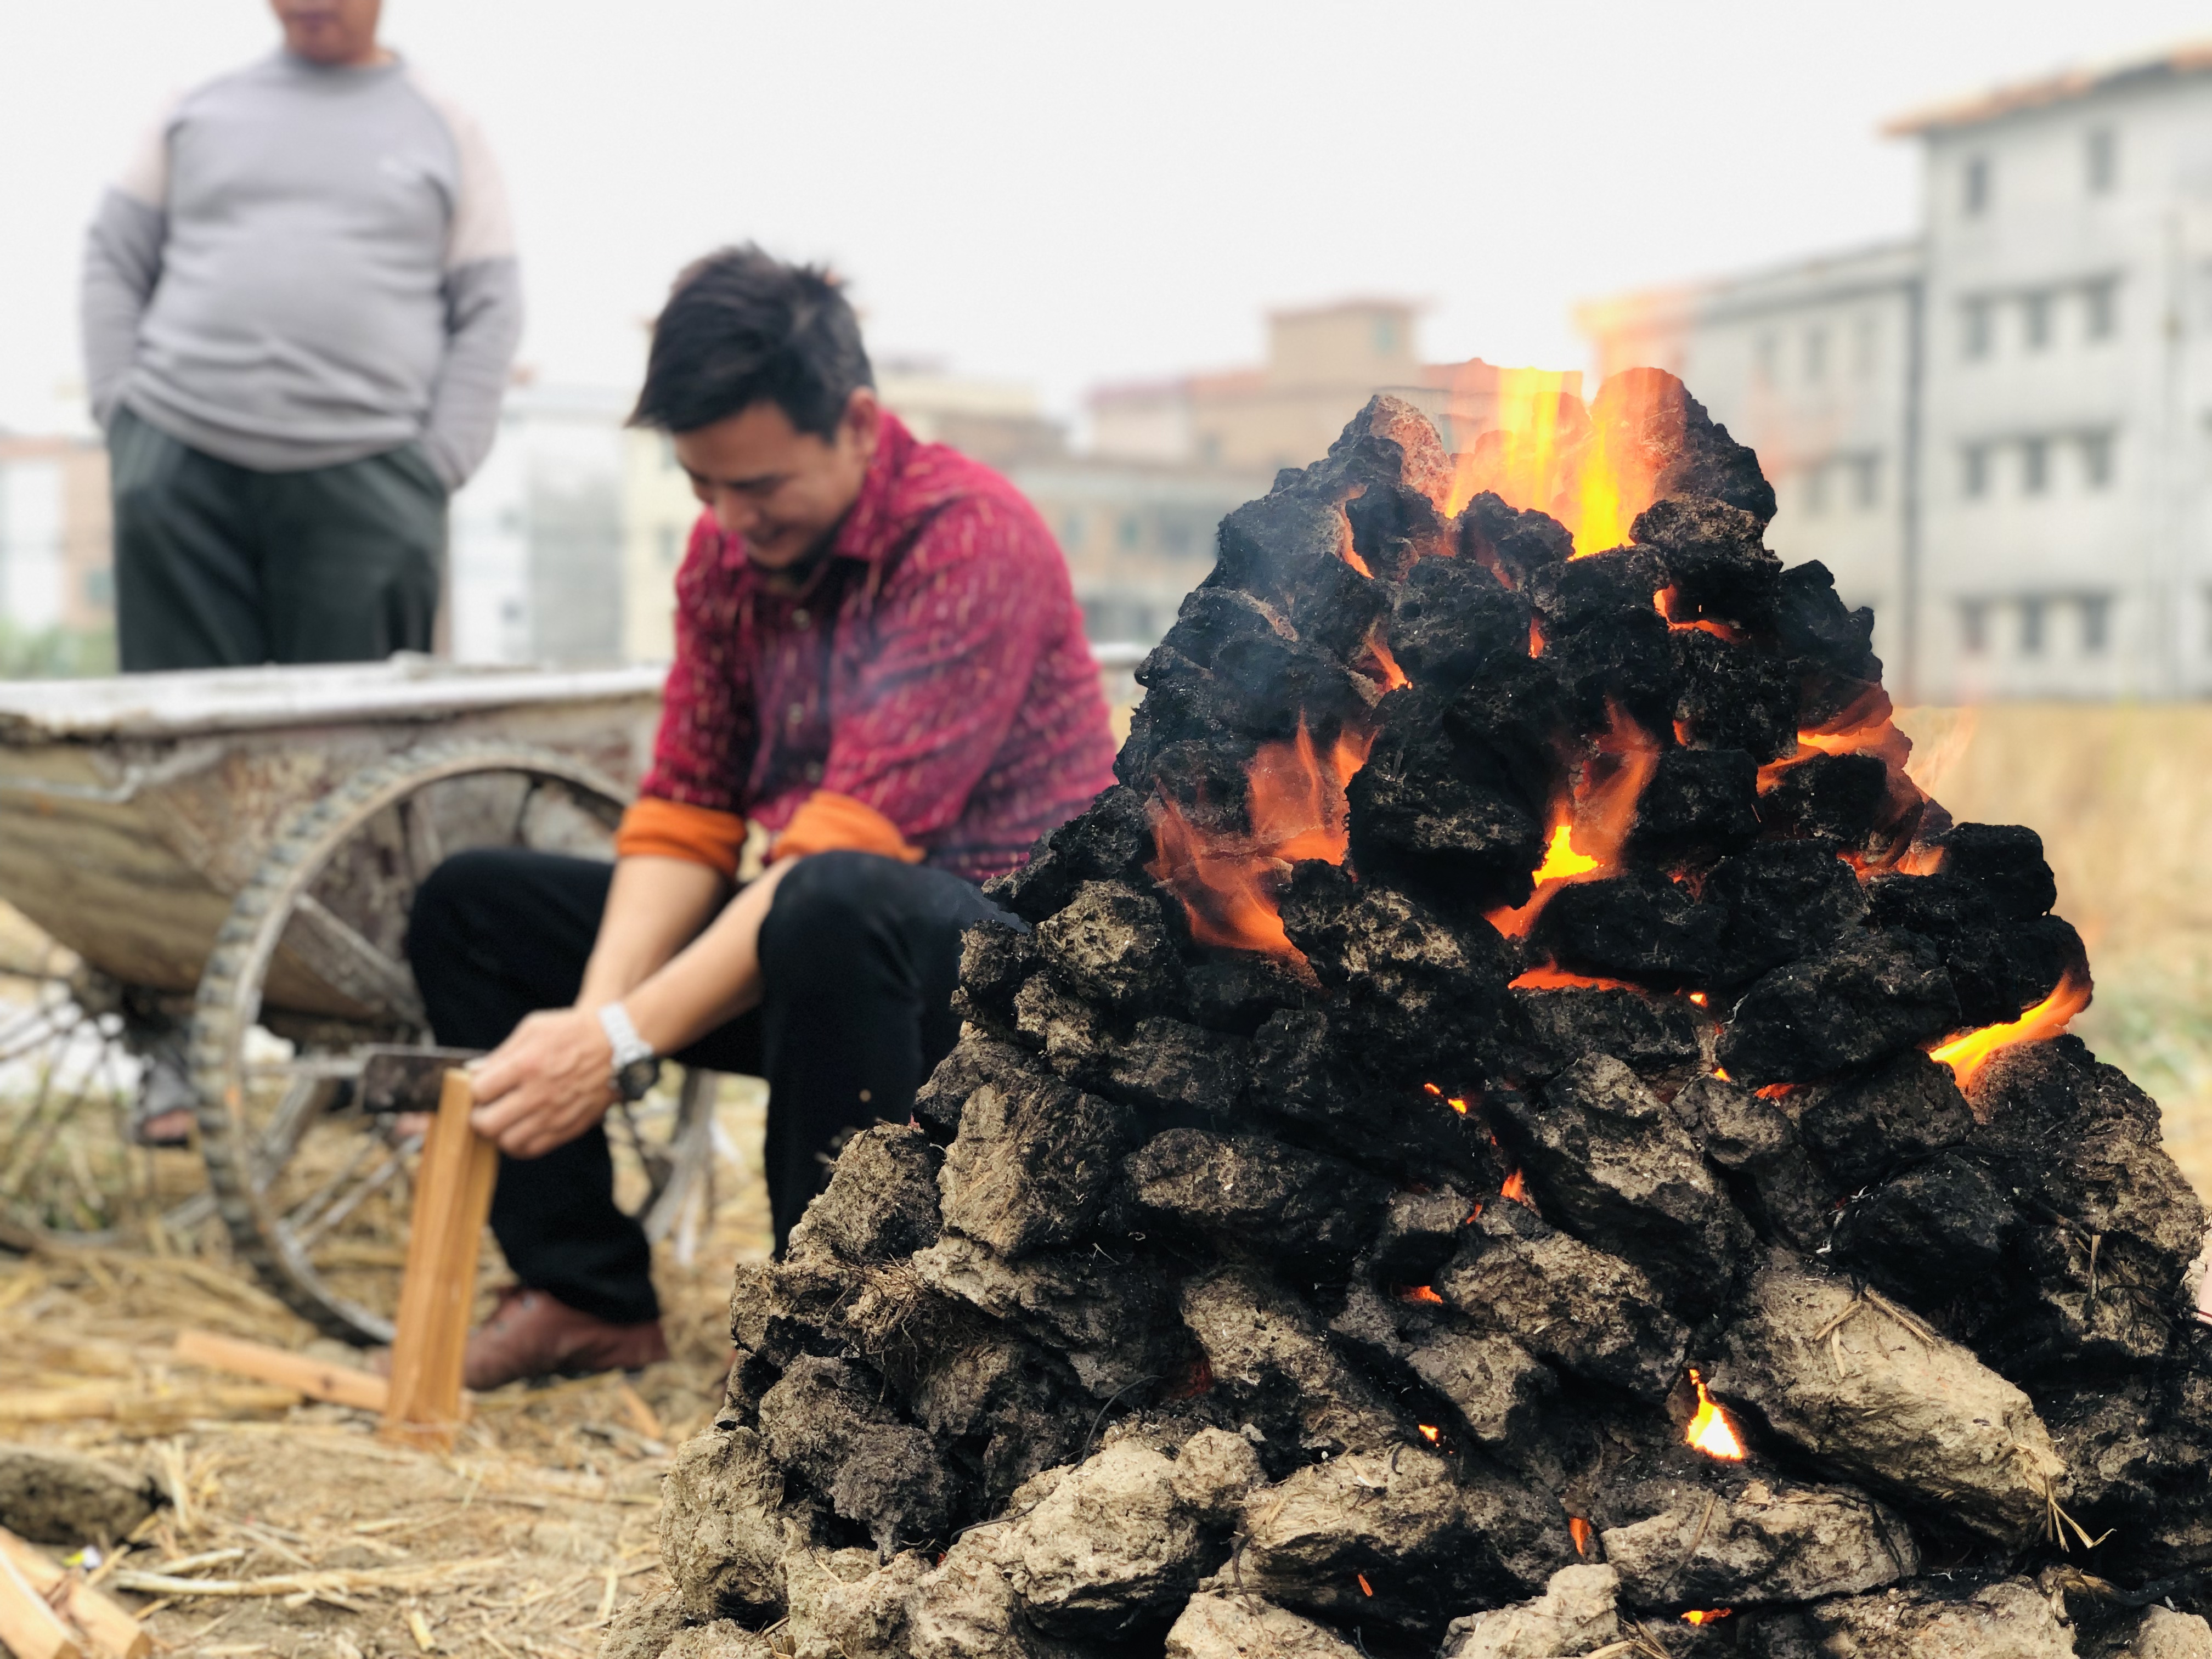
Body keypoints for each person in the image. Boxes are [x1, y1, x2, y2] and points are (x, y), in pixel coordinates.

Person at [405, 246, 1119, 1388]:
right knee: (474, 905)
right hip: (816, 932)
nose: (731, 519)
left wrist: (627, 1038)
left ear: (857, 422)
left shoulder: (972, 539)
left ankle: (826, 1351)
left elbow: (845, 851)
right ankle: (588, 1295)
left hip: (1002, 975)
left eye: (762, 486)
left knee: (831, 904)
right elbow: (688, 805)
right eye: (702, 485)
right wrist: (594, 1025)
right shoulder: (725, 554)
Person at [80, 0, 521, 673]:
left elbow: (490, 305)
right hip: (179, 466)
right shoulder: (197, 106)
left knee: (356, 755)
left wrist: (434, 468)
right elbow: (113, 255)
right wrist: (124, 419)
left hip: (370, 478)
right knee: (186, 754)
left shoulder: (443, 124)